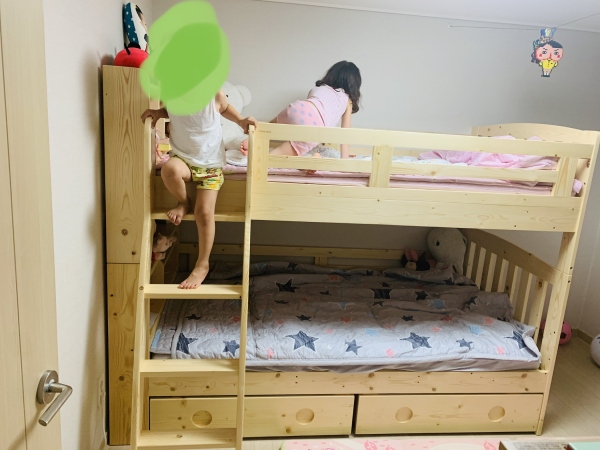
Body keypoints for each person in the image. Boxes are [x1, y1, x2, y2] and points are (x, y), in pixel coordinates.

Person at [141, 91, 256, 288]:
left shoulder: (214, 95)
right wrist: (159, 112)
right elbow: (173, 110)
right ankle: (183, 202)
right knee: (169, 170)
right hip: (183, 159)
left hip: (210, 165)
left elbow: (225, 109)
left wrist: (241, 120)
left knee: (203, 212)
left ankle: (202, 264)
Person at [240, 61, 361, 159]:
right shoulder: (347, 100)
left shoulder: (319, 88)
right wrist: (345, 159)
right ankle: (259, 158)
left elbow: (311, 109)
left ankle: (254, 138)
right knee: (278, 154)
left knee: (268, 128)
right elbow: (345, 134)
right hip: (315, 124)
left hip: (297, 108)